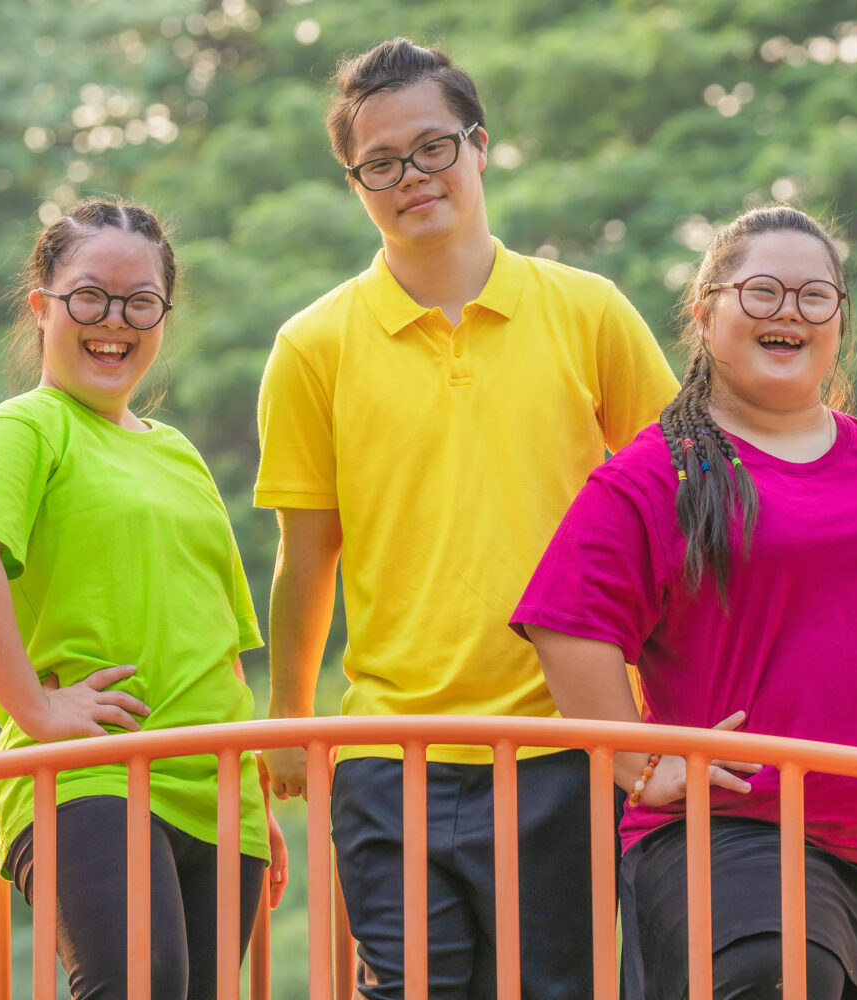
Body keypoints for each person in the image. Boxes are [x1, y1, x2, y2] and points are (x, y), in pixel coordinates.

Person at [512, 203, 857, 1000]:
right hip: (736, 831)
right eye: (762, 292)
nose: (789, 313)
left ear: (838, 319)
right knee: (776, 978)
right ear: (706, 315)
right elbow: (569, 623)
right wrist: (638, 763)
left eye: (815, 296)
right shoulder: (659, 473)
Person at [255, 38, 679, 1000]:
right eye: (381, 164)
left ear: (480, 147)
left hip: (569, 741)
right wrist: (289, 721)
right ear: (355, 184)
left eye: (433, 148)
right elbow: (305, 559)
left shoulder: (588, 311)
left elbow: (683, 508)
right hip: (386, 752)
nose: (412, 177)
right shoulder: (311, 347)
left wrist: (668, 697)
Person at [0, 199, 285, 999]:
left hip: (221, 793)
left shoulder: (181, 455)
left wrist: (254, 782)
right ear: (42, 306)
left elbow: (213, 640)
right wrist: (38, 712)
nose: (112, 321)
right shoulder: (28, 427)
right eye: (88, 296)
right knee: (137, 981)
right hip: (92, 773)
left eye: (139, 302)